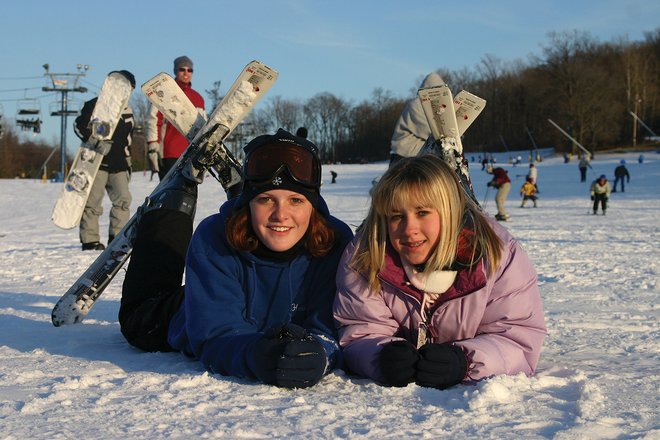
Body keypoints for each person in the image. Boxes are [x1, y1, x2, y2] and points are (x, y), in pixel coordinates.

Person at [119, 129, 353, 389]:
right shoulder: (213, 237)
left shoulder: (335, 241)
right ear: (250, 203)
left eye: (296, 200)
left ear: (313, 205)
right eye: (265, 199)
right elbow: (215, 335)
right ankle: (170, 203)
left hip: (236, 299)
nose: (281, 214)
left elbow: (333, 330)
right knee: (139, 318)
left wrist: (319, 354)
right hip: (180, 315)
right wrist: (254, 356)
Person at [333, 155, 546, 389]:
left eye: (422, 212)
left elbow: (517, 338)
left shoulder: (497, 256)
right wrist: (382, 356)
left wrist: (464, 362)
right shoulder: (366, 257)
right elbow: (359, 331)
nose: (409, 229)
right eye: (397, 216)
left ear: (450, 212)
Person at [74, 70, 135, 251]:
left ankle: (117, 238)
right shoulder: (94, 105)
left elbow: (128, 140)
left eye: (130, 88)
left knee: (123, 201)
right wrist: (94, 141)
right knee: (93, 203)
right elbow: (78, 126)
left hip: (120, 165)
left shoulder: (128, 111)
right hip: (97, 163)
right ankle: (90, 240)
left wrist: (129, 162)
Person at [146, 56, 205, 180]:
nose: (186, 73)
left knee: (189, 195)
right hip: (169, 153)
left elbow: (203, 127)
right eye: (182, 69)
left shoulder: (198, 98)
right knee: (169, 194)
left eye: (190, 70)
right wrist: (152, 145)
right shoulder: (163, 92)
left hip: (191, 154)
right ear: (175, 71)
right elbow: (153, 120)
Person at [389, 72, 445, 166]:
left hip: (416, 157)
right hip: (404, 158)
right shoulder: (417, 105)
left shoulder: (430, 107)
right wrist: (453, 134)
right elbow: (432, 129)